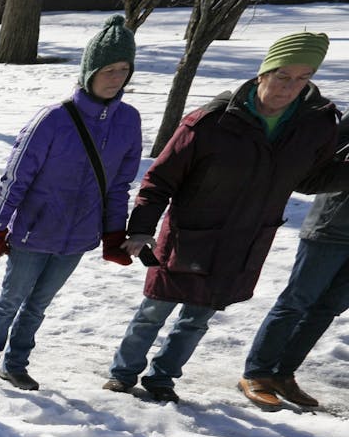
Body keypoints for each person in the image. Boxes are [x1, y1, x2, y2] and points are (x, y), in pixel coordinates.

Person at [106, 30, 349, 403]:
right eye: (282, 76)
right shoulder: (211, 121)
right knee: (154, 310)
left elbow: (311, 179)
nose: (290, 87)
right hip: (190, 234)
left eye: (303, 78)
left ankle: (163, 378)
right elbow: (160, 179)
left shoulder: (315, 125)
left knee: (197, 318)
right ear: (263, 73)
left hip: (244, 239)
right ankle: (123, 375)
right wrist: (140, 228)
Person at [0, 15, 141, 391]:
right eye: (108, 69)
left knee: (38, 306)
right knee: (11, 300)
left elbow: (118, 186)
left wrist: (114, 234)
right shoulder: (53, 119)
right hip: (34, 231)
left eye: (123, 69)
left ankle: (15, 365)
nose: (115, 77)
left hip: (78, 237)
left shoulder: (128, 121)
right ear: (89, 70)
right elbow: (15, 179)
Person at [238, 114, 349, 410]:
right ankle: (257, 374)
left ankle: (283, 374)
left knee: (328, 308)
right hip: (333, 226)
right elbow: (323, 159)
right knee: (297, 301)